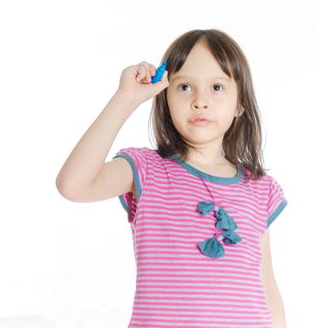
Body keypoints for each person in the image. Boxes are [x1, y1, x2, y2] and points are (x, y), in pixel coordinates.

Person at [56, 28, 288, 328]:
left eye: (217, 87)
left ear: (240, 103)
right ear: (164, 98)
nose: (200, 101)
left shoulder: (260, 188)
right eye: (184, 87)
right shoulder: (145, 169)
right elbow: (73, 185)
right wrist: (126, 98)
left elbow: (266, 284)